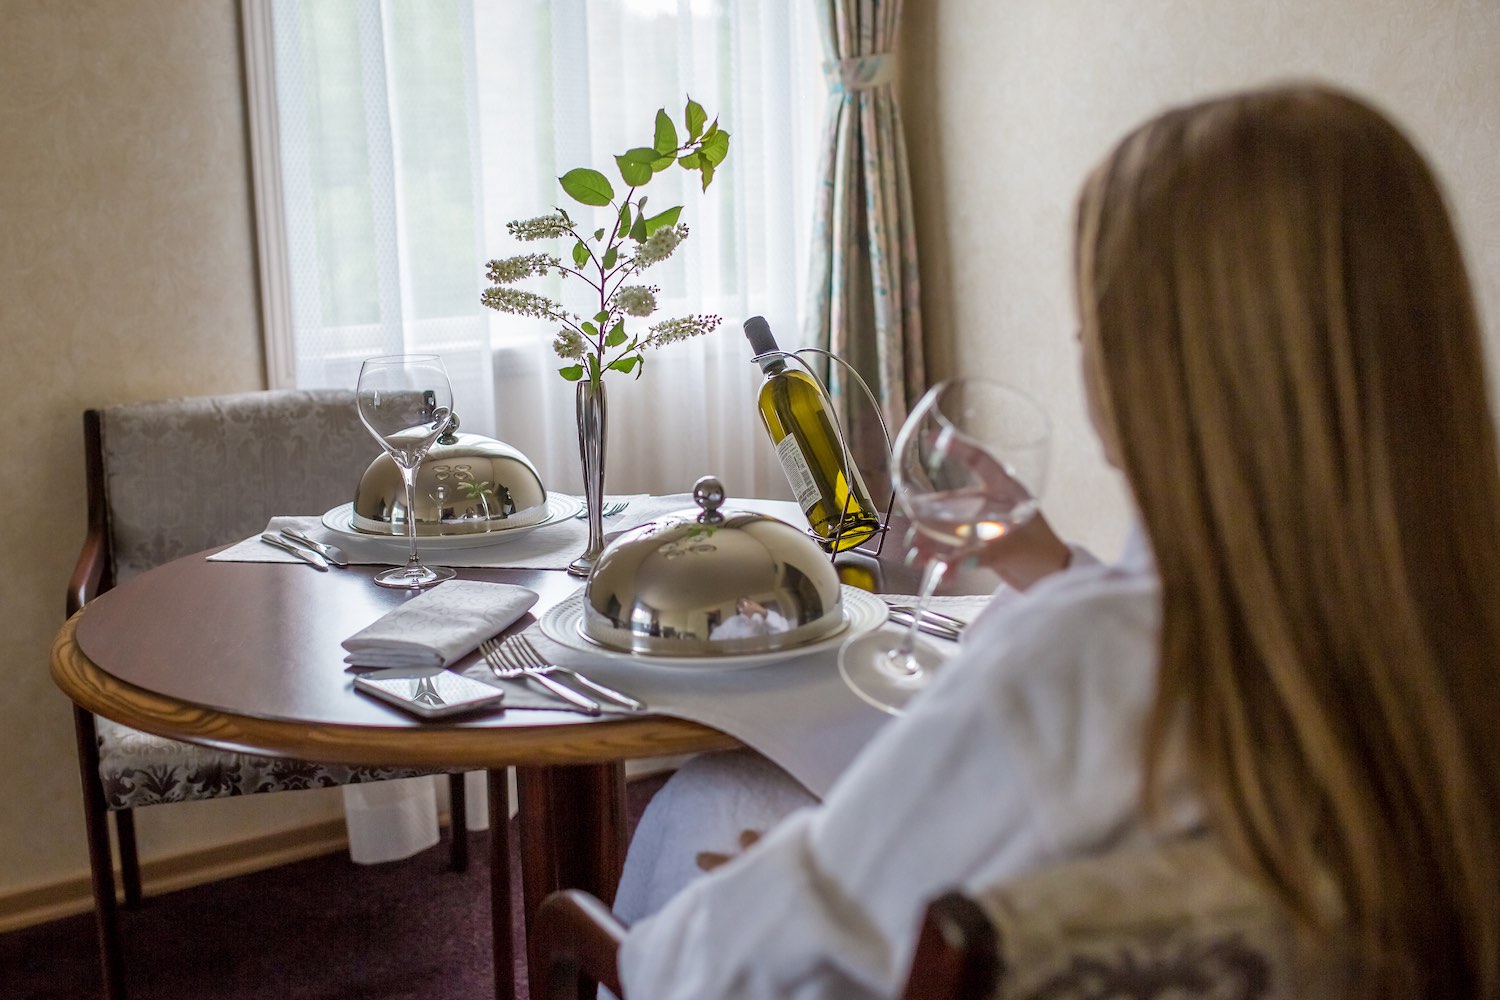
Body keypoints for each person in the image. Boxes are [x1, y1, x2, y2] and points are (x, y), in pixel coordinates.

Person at [616, 83, 1500, 999]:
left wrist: (770, 895)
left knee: (700, 809)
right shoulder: (1444, 641)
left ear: (1148, 368)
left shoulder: (1087, 668)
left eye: (1091, 326)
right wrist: (1055, 571)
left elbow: (710, 969)